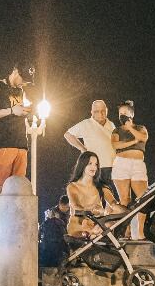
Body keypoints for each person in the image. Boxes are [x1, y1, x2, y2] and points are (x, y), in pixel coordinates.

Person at [0, 61, 34, 217]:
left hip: (21, 144)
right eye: (23, 78)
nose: (25, 83)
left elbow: (17, 113)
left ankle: (13, 222)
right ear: (15, 71)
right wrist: (11, 111)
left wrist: (25, 112)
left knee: (18, 187)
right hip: (3, 143)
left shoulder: (20, 91)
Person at [64, 100, 118, 206]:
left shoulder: (111, 124)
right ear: (92, 112)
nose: (100, 113)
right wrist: (83, 149)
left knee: (112, 198)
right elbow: (68, 134)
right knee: (97, 197)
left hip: (113, 166)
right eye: (97, 111)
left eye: (103, 111)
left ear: (107, 111)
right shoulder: (86, 124)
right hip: (96, 168)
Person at [111, 101, 150, 239]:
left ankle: (140, 232)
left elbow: (143, 137)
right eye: (120, 113)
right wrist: (134, 142)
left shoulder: (140, 127)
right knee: (125, 199)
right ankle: (126, 231)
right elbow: (116, 145)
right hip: (121, 164)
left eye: (125, 113)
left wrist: (130, 128)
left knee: (143, 199)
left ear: (131, 114)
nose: (122, 115)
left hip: (138, 164)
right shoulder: (117, 130)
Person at [65, 151, 107, 237]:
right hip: (77, 228)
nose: (94, 167)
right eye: (90, 163)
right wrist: (92, 210)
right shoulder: (72, 186)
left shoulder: (101, 186)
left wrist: (106, 211)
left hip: (96, 226)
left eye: (96, 164)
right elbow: (75, 205)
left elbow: (112, 204)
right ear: (82, 165)